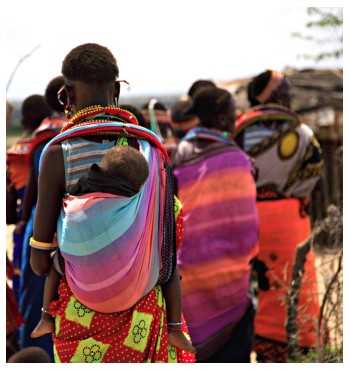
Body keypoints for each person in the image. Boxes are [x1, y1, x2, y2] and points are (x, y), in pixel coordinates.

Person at [29, 42, 195, 363]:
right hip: (145, 315)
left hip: (81, 318)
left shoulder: (56, 153)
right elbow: (167, 247)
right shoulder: (150, 147)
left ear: (67, 96)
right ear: (117, 91)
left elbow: (38, 262)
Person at [30, 144, 195, 354]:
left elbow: (40, 263)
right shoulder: (148, 179)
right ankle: (175, 329)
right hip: (140, 297)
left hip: (82, 298)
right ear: (141, 188)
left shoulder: (78, 182)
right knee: (170, 269)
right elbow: (173, 234)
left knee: (57, 263)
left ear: (100, 170)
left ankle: (45, 316)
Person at [231, 69, 324, 362]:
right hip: (289, 223)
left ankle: (262, 346)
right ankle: (298, 349)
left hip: (250, 220)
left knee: (259, 284)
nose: (293, 96)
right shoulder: (302, 133)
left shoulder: (237, 132)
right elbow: (315, 179)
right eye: (289, 91)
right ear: (276, 95)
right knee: (296, 285)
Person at [172, 86, 259, 362]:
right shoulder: (237, 158)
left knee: (194, 345)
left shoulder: (181, 152)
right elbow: (246, 225)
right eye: (233, 114)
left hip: (190, 270)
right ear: (222, 120)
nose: (236, 119)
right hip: (230, 273)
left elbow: (173, 209)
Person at [17, 76, 67, 359]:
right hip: (75, 227)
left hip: (42, 228)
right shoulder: (79, 131)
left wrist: (24, 221)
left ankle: (35, 356)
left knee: (35, 298)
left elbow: (33, 196)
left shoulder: (42, 140)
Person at [6, 95, 52, 301]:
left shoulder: (17, 152)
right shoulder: (60, 139)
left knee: (25, 282)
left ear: (24, 121)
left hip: (30, 224)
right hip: (57, 225)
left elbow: (11, 207)